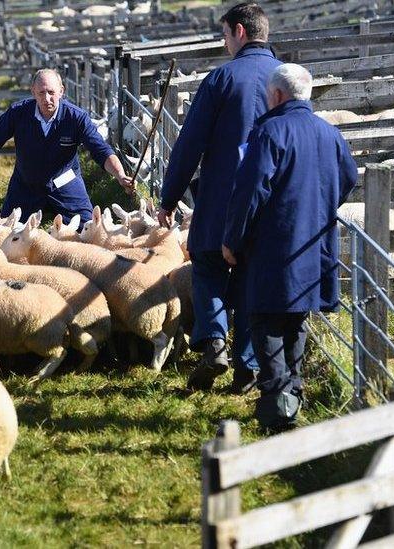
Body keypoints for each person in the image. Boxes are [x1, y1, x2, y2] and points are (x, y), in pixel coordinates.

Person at [221, 63, 358, 430]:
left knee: (265, 318)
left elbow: (250, 192)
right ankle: (292, 392)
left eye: (268, 96)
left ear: (278, 95)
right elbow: (349, 178)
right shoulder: (330, 134)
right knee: (298, 317)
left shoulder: (269, 132)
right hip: (314, 244)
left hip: (272, 244)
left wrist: (233, 240)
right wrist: (318, 207)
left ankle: (278, 403)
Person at [157, 2, 281, 394]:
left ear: (240, 33)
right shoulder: (286, 80)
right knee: (248, 276)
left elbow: (190, 143)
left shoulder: (222, 79)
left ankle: (213, 341)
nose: (224, 43)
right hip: (267, 200)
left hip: (221, 197)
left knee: (208, 264)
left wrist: (169, 196)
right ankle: (246, 367)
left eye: (225, 34)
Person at [0, 69, 133, 224]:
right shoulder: (18, 113)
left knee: (90, 229)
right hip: (26, 185)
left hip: (65, 183)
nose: (47, 98)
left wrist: (120, 175)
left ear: (61, 91)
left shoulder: (76, 117)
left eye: (51, 92)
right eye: (41, 93)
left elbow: (101, 150)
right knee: (6, 232)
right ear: (33, 91)